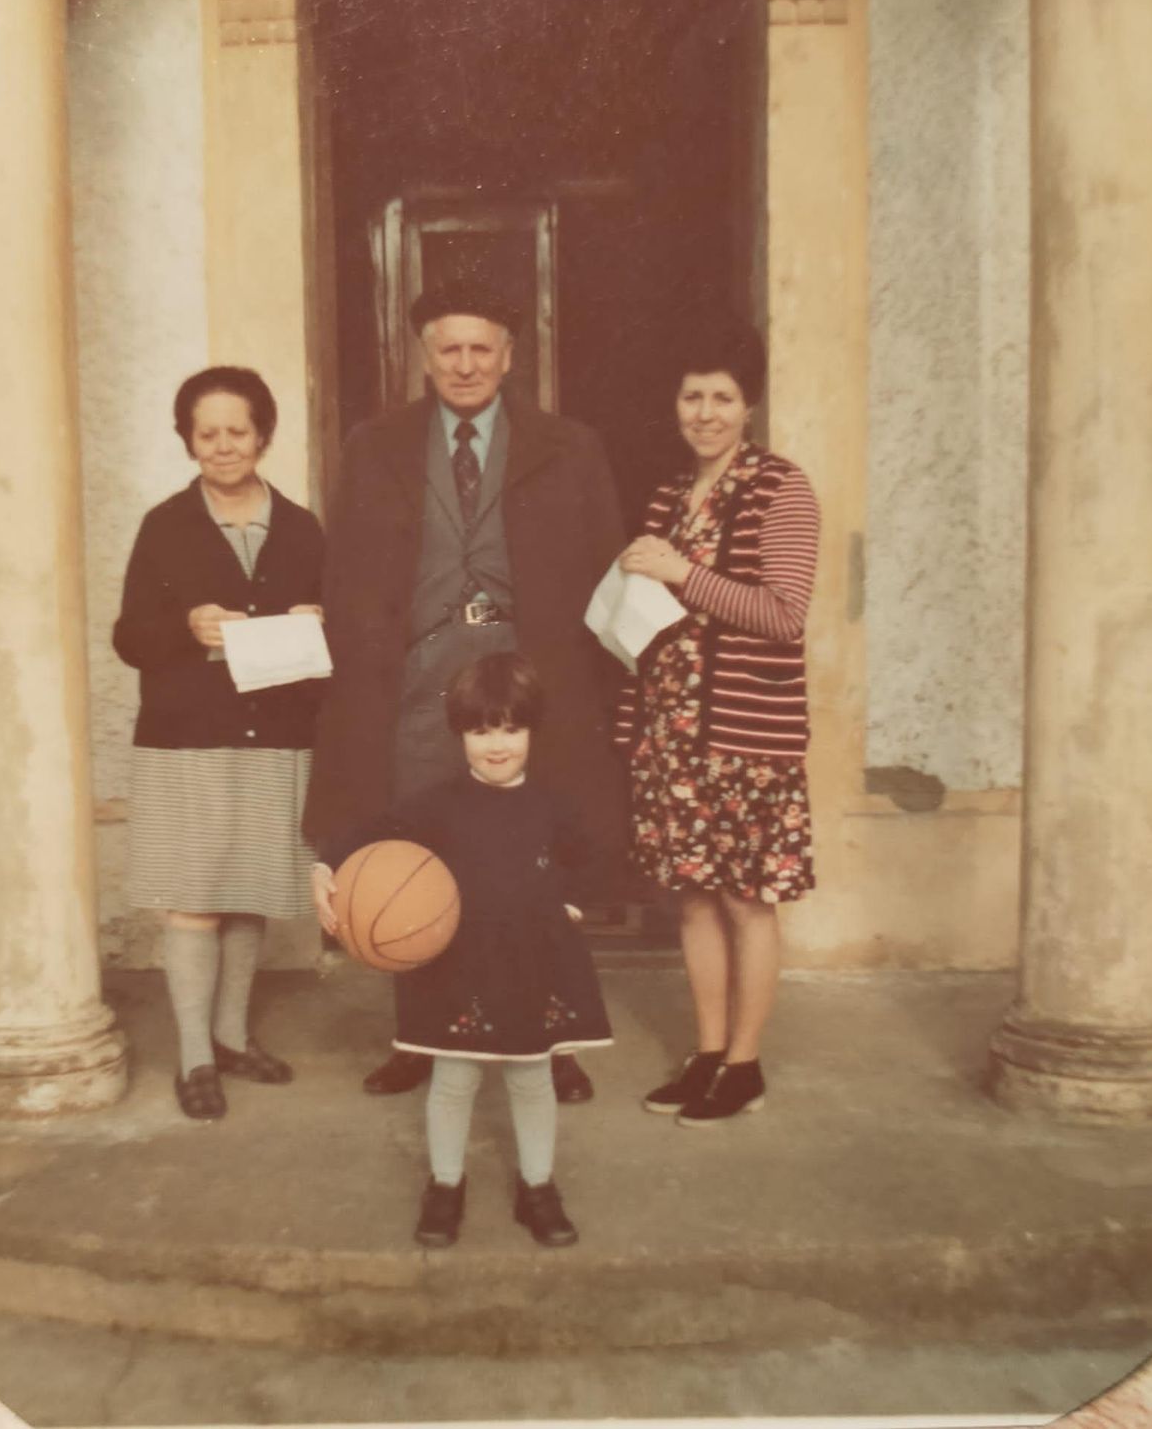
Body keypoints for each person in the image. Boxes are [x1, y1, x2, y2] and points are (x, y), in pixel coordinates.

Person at [305, 279, 625, 1104]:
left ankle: (551, 1041)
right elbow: (346, 574)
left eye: (483, 348)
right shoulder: (377, 445)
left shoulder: (569, 446)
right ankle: (423, 1036)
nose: (466, 363)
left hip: (528, 688)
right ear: (424, 355)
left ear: (510, 356)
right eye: (449, 348)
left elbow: (603, 569)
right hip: (417, 692)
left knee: (532, 864)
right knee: (423, 857)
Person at [317, 653, 612, 1248]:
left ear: (532, 730)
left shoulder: (553, 804)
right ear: (460, 735)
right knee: (454, 1080)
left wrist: (573, 903)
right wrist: (325, 866)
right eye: (480, 730)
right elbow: (364, 833)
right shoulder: (437, 804)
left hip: (534, 961)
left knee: (532, 1079)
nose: (496, 744)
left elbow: (592, 861)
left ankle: (538, 1187)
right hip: (460, 965)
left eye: (510, 728)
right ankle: (446, 1185)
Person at [614, 316, 819, 1126]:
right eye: (692, 396)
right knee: (693, 900)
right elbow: (644, 619)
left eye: (722, 397)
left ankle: (744, 1064)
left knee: (744, 900)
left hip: (744, 737)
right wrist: (635, 728)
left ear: (749, 406)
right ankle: (705, 1053)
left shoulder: (782, 487)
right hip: (675, 735)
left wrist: (683, 572)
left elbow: (783, 614)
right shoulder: (669, 494)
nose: (705, 412)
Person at [113, 366, 325, 1120]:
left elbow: (336, 630)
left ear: (263, 435)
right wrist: (185, 628)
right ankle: (195, 1057)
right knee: (195, 901)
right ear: (188, 440)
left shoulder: (301, 527)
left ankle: (233, 1038)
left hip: (274, 734)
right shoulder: (164, 525)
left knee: (249, 895)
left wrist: (316, 619)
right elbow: (129, 638)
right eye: (208, 433)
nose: (224, 446)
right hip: (187, 739)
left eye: (238, 431)